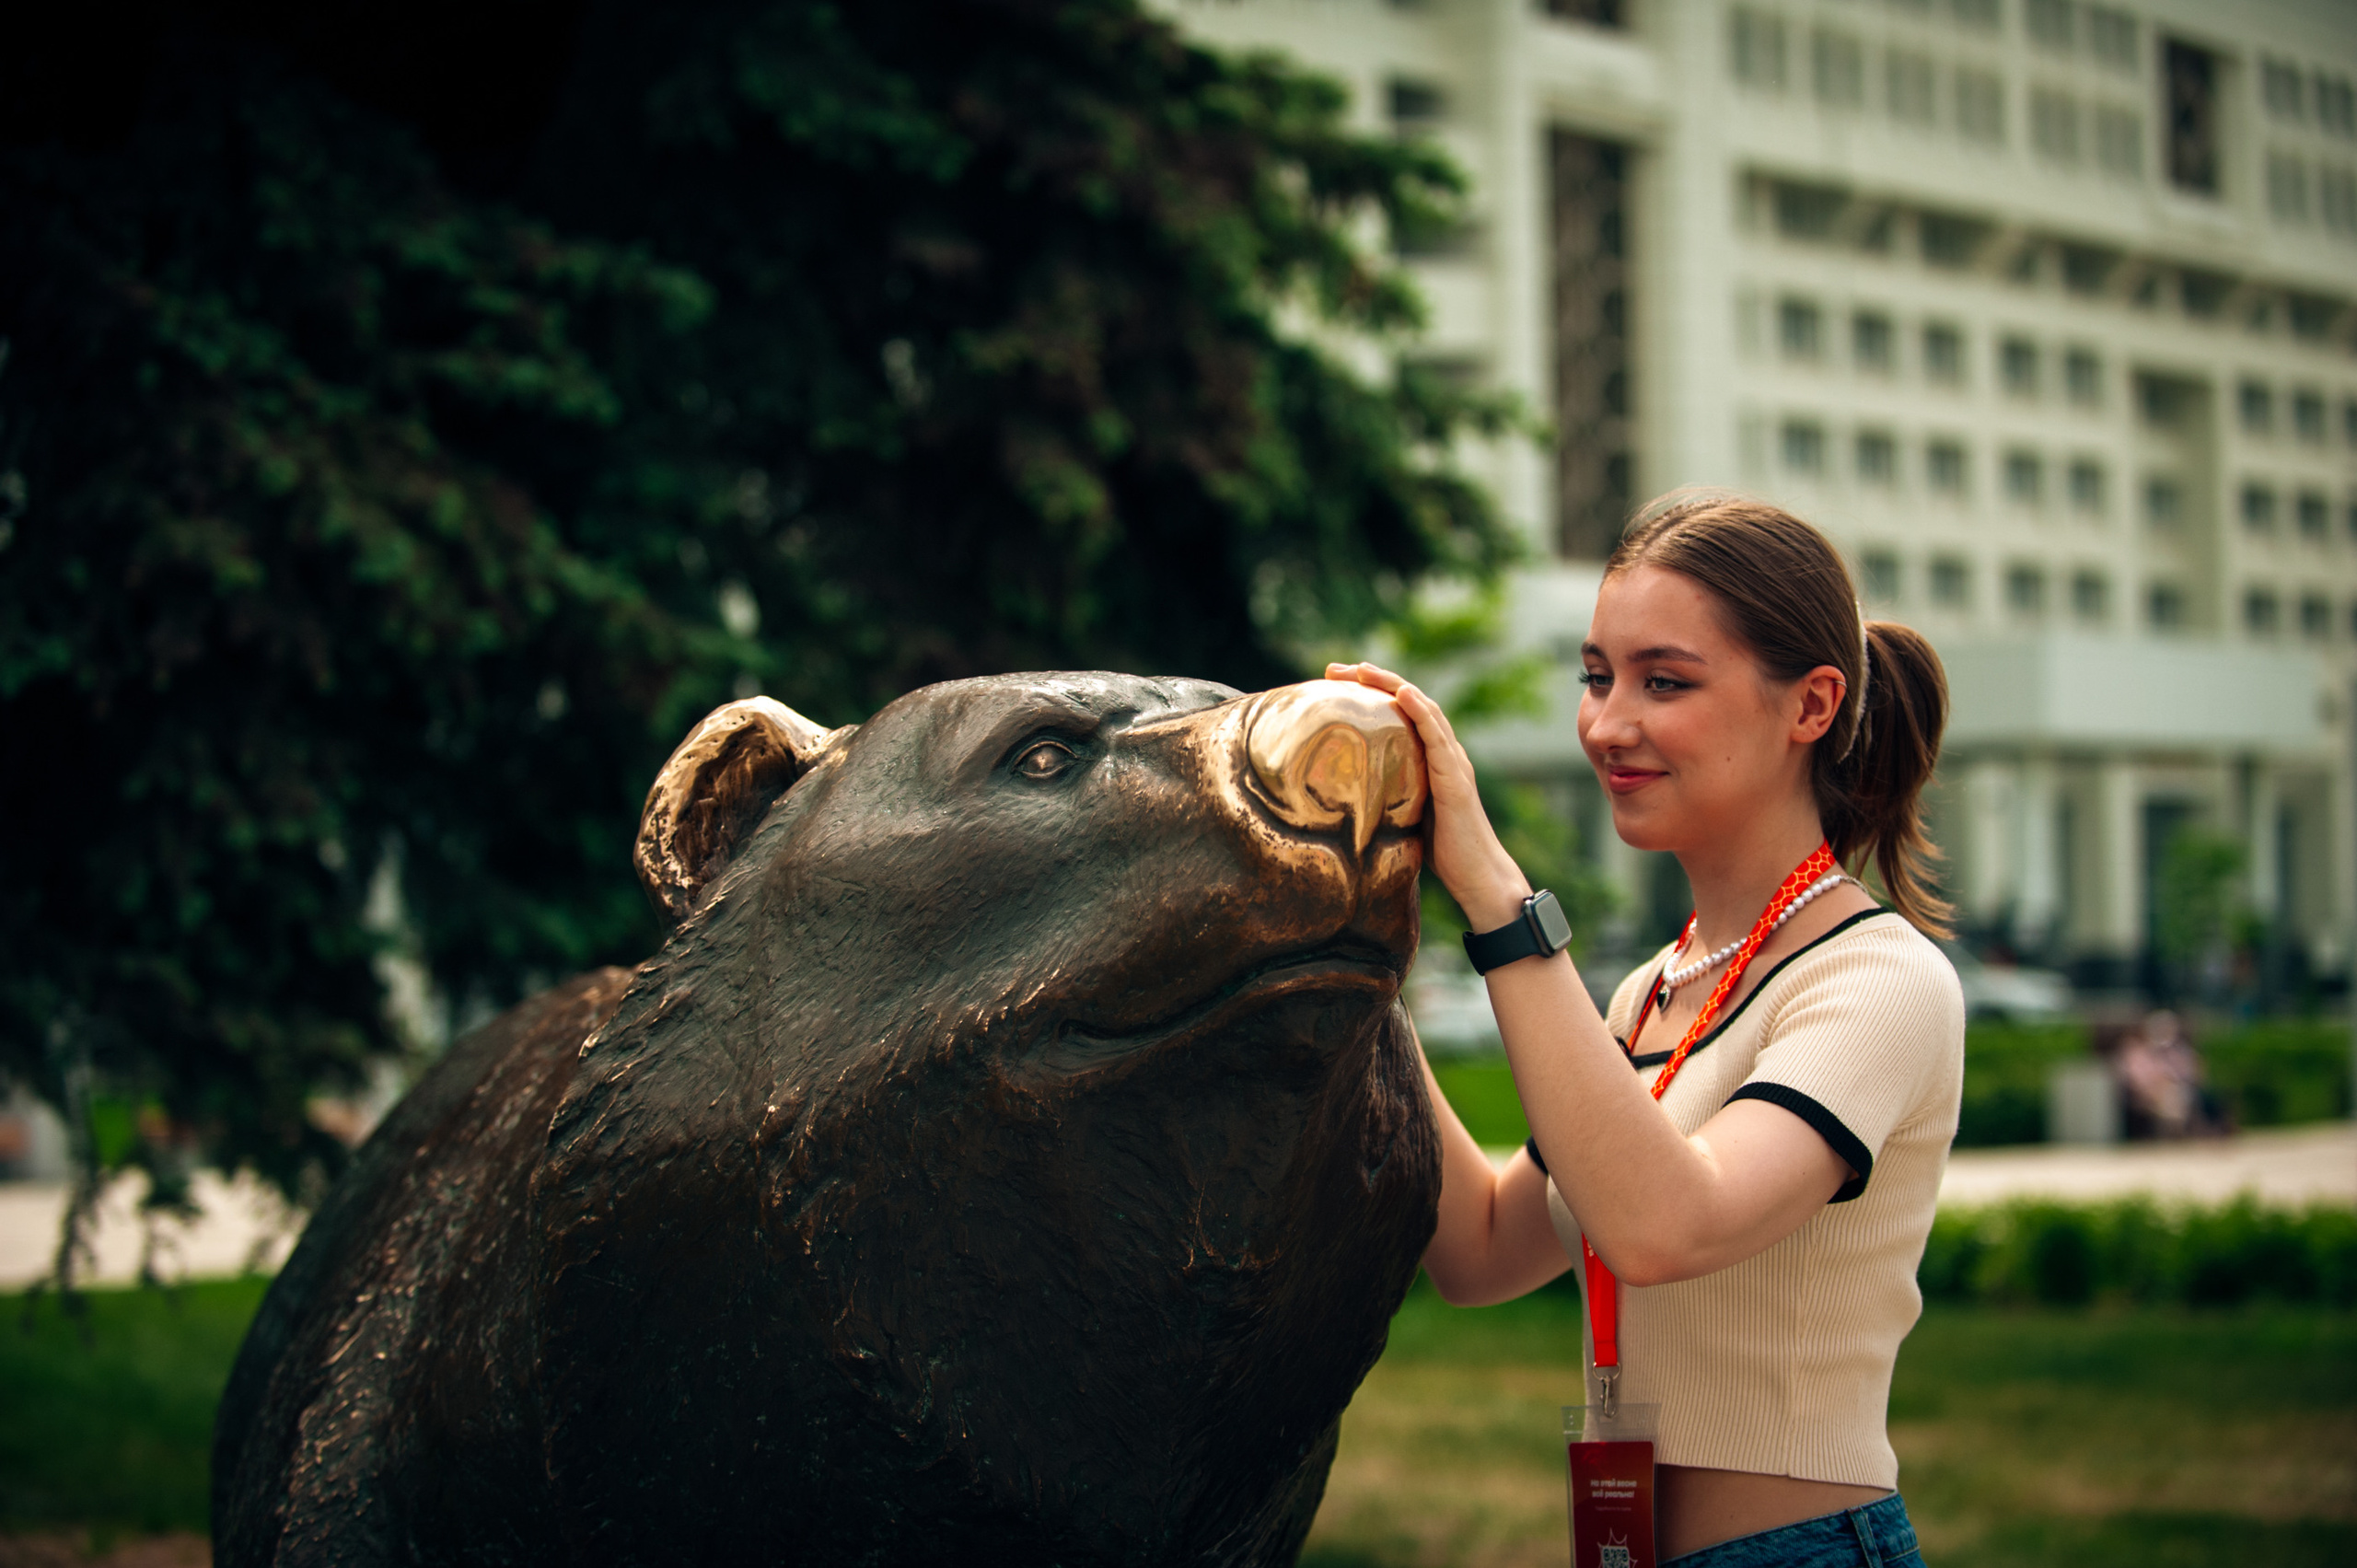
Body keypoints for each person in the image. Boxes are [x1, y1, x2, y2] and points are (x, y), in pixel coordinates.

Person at [1330, 492, 1963, 1566]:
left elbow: (1669, 1224)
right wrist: (1351, 971)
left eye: (1663, 681)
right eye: (1597, 675)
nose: (1606, 723)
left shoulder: (1880, 978)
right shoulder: (1649, 994)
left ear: (1811, 704)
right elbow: (1482, 1247)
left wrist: (1495, 893)